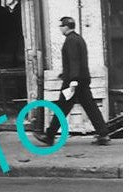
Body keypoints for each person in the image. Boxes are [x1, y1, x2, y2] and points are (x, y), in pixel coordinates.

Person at [37, 16, 110, 145]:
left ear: (66, 27)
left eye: (61, 26)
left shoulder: (70, 41)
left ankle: (49, 136)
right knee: (90, 107)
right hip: (81, 81)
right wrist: (66, 74)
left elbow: (74, 60)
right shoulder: (78, 39)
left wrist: (73, 80)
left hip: (73, 83)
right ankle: (103, 134)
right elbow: (78, 61)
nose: (60, 29)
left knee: (61, 107)